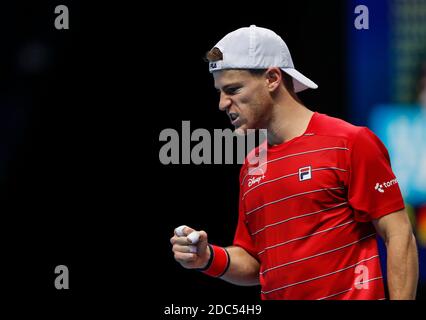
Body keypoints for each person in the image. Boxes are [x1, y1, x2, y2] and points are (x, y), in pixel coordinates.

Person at [170, 25, 419, 300]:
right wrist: (207, 257)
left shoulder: (350, 142)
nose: (222, 103)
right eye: (220, 91)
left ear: (272, 78)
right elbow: (256, 263)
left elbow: (399, 234)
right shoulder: (252, 166)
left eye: (233, 89)